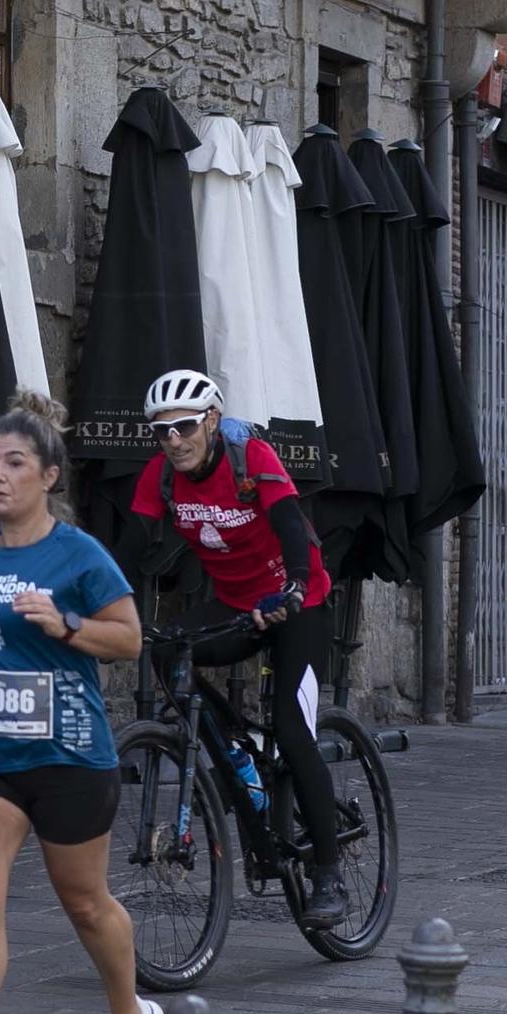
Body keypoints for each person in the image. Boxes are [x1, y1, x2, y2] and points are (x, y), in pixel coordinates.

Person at [0, 392, 159, 1014]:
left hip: (68, 754)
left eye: (15, 464)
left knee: (86, 903)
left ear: (48, 476)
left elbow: (127, 639)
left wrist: (65, 623)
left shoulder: (79, 554)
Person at [128, 368, 349, 928]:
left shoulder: (249, 458)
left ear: (211, 420)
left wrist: (296, 586)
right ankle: (235, 753)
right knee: (166, 652)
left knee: (295, 733)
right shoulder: (161, 477)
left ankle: (328, 874)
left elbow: (290, 526)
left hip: (300, 603)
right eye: (160, 432)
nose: (172, 440)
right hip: (235, 604)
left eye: (182, 427)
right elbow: (129, 550)